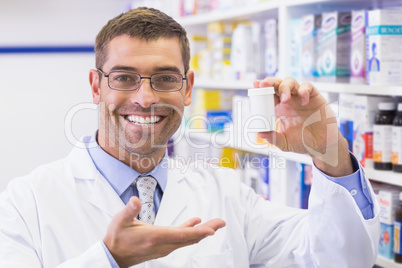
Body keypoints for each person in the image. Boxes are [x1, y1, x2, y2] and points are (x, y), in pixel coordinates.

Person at [0, 7, 379, 268]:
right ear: (96, 87)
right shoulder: (26, 202)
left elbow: (340, 258)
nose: (145, 98)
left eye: (165, 78)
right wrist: (107, 258)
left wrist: (331, 154)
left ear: (187, 88)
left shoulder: (227, 194)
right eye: (124, 77)